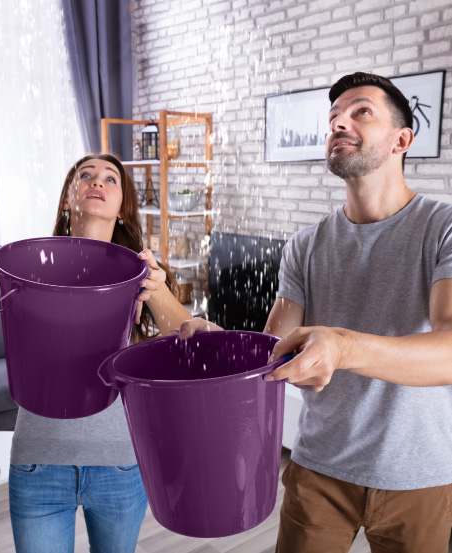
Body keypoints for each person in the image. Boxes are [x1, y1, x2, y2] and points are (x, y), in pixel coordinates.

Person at [0, 50, 192, 553]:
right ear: (68, 196)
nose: (97, 183)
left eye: (111, 179)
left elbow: (187, 337)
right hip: (39, 465)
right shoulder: (23, 265)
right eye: (86, 175)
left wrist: (160, 290)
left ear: (123, 204)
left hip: (120, 466)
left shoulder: (139, 271)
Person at [179, 72, 452, 553]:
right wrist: (217, 343)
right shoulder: (306, 245)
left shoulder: (442, 229)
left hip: (420, 475)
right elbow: (272, 355)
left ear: (402, 140)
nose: (339, 123)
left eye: (360, 111)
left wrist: (342, 346)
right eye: (333, 117)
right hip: (319, 470)